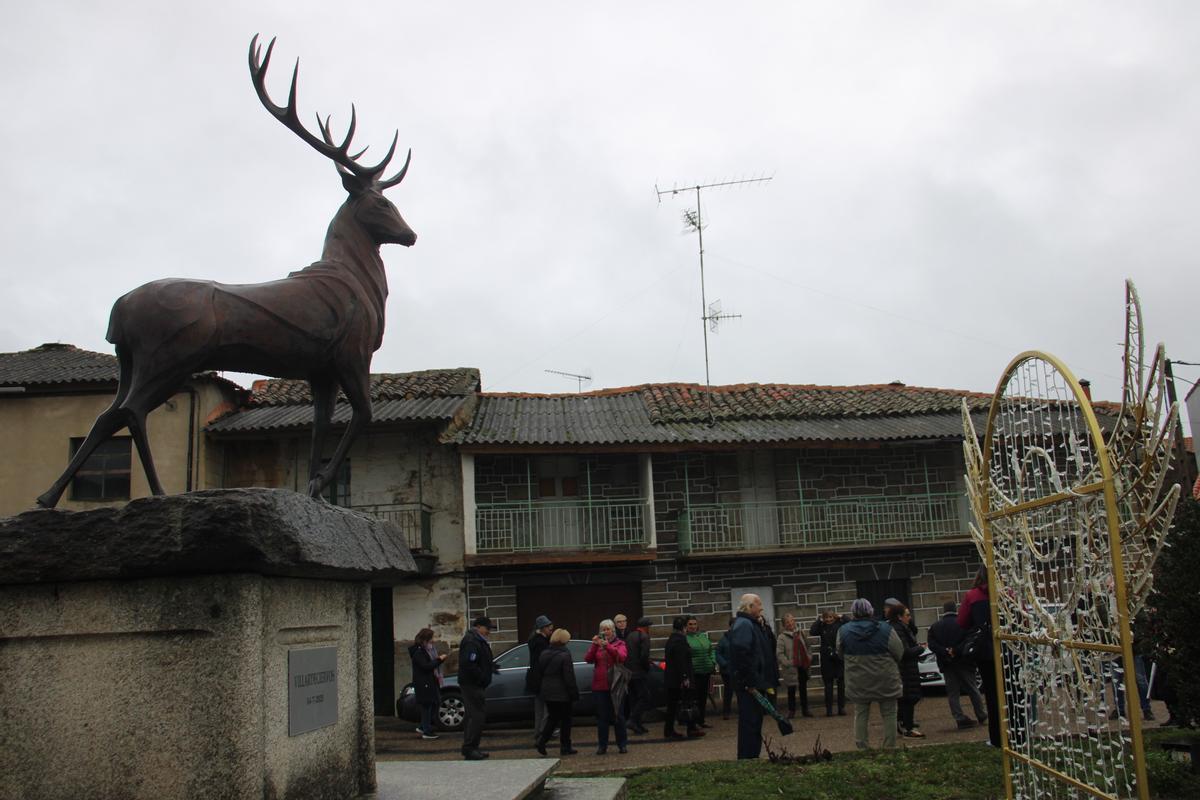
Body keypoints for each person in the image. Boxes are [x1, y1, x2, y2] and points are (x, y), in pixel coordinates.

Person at [838, 598, 904, 750]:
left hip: (858, 679)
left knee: (861, 713)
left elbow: (840, 653)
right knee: (889, 713)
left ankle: (862, 747)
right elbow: (899, 652)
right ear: (871, 611)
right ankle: (889, 747)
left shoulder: (843, 631)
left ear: (853, 612)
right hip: (886, 678)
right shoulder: (886, 629)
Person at [927, 600, 987, 729]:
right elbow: (969, 640)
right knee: (972, 689)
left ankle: (959, 717)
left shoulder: (935, 626)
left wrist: (945, 651)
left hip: (946, 662)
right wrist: (956, 650)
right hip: (964, 661)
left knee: (953, 693)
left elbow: (932, 644)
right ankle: (981, 715)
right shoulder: (964, 624)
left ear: (944, 610)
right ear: (956, 609)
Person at [729, 593, 775, 759]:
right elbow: (743, 655)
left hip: (754, 681)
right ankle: (747, 757)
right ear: (749, 607)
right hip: (749, 685)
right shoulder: (744, 625)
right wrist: (750, 682)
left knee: (755, 721)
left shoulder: (749, 624)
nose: (761, 608)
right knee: (750, 722)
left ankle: (751, 755)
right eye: (758, 604)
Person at [959, 567, 1001, 747]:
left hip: (984, 651)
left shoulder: (973, 595)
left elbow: (962, 621)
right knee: (1011, 694)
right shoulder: (1006, 592)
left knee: (991, 696)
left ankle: (997, 737)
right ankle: (1017, 736)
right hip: (1005, 648)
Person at [458, 616, 500, 760]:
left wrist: (491, 667)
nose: (489, 632)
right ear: (479, 627)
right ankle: (470, 748)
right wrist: (482, 677)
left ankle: (471, 747)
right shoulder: (472, 641)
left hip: (474, 683)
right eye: (487, 628)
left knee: (474, 716)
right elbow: (469, 664)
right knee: (477, 716)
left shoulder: (478, 640)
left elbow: (480, 660)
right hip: (472, 684)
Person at [585, 619, 629, 754]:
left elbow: (621, 657)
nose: (605, 632)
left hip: (616, 685)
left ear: (613, 630)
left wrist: (608, 646)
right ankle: (602, 746)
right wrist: (594, 645)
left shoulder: (620, 643)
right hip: (600, 686)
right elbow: (588, 659)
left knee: (619, 716)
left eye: (608, 629)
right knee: (602, 717)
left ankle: (622, 744)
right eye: (603, 629)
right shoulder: (597, 645)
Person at [534, 628, 579, 756]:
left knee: (552, 718)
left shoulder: (544, 653)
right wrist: (574, 693)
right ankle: (565, 746)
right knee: (566, 720)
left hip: (547, 690)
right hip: (562, 692)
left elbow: (541, 671)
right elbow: (569, 677)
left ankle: (542, 741)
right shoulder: (565, 655)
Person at [887, 602, 925, 738]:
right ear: (899, 616)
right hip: (905, 669)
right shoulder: (898, 629)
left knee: (907, 699)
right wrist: (920, 648)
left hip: (906, 668)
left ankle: (903, 723)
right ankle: (907, 727)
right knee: (908, 698)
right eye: (907, 615)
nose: (909, 618)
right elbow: (904, 652)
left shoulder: (901, 627)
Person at [664, 616, 704, 739]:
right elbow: (681, 661)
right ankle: (688, 728)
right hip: (680, 679)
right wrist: (685, 678)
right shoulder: (680, 641)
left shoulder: (671, 639)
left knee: (673, 705)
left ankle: (673, 729)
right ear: (684, 627)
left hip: (672, 678)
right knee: (688, 703)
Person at [408, 628, 446, 740]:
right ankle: (426, 731)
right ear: (425, 640)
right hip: (424, 683)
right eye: (431, 639)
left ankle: (423, 726)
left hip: (430, 682)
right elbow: (426, 666)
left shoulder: (428, 650)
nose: (433, 641)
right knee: (427, 706)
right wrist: (439, 660)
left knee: (434, 703)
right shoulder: (419, 652)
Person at [811, 609, 847, 716]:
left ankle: (841, 708)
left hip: (839, 657)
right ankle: (829, 709)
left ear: (834, 617)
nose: (829, 619)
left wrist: (841, 616)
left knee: (841, 685)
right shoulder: (821, 626)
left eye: (831, 617)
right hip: (827, 659)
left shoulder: (840, 624)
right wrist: (818, 620)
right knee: (828, 685)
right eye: (826, 617)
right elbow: (812, 631)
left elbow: (849, 622)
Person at [777, 613, 812, 719]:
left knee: (803, 689)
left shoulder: (801, 633)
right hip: (791, 667)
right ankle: (791, 710)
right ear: (784, 625)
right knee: (791, 690)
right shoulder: (782, 637)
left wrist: (809, 657)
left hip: (803, 666)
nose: (790, 623)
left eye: (792, 620)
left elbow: (808, 646)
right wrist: (788, 663)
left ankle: (805, 709)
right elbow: (779, 654)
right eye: (787, 622)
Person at [525, 615, 554, 741]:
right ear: (543, 628)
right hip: (541, 678)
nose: (551, 630)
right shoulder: (541, 642)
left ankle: (538, 730)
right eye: (549, 628)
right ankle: (543, 731)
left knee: (539, 707)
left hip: (535, 678)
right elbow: (544, 661)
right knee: (546, 707)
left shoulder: (534, 640)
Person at [685, 616, 717, 727]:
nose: (693, 626)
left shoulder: (703, 636)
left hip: (706, 671)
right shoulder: (685, 639)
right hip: (694, 672)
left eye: (694, 624)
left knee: (703, 697)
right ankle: (693, 721)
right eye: (690, 624)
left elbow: (711, 650)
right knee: (695, 698)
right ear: (686, 626)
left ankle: (701, 720)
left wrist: (712, 661)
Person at [624, 617, 653, 734]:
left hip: (629, 672)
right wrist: (647, 668)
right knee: (644, 698)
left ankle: (638, 725)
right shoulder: (644, 637)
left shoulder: (630, 636)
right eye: (649, 626)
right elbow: (644, 656)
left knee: (634, 699)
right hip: (638, 672)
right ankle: (632, 720)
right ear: (646, 627)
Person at [715, 618, 736, 720]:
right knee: (728, 691)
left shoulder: (740, 637)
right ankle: (726, 711)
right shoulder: (724, 640)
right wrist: (724, 663)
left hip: (738, 669)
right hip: (727, 670)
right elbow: (717, 653)